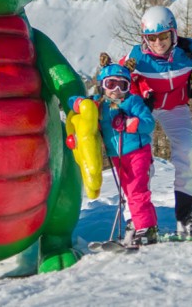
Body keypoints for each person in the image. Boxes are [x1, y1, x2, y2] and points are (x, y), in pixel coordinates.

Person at [123, 6, 192, 238]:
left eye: (163, 36)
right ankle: (136, 217)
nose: (158, 42)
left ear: (173, 33)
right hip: (146, 110)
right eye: (151, 38)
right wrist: (140, 95)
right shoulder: (136, 57)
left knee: (188, 152)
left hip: (176, 106)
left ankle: (187, 215)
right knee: (138, 159)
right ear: (144, 38)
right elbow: (122, 79)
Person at [69, 54, 158, 246]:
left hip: (137, 151)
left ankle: (145, 227)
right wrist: (79, 103)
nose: (116, 91)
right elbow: (73, 101)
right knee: (129, 190)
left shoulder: (133, 102)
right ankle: (145, 224)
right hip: (117, 155)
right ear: (102, 85)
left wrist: (132, 124)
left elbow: (149, 123)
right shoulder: (98, 104)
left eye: (122, 85)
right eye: (111, 84)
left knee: (136, 189)